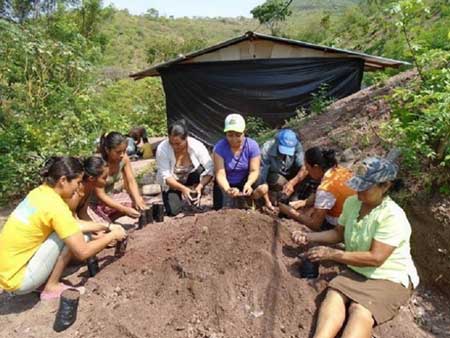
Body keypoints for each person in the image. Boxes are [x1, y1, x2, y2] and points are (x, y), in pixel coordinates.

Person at [292, 155, 419, 338]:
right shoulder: (353, 203)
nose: (359, 191)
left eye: (365, 187)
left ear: (385, 186)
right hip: (357, 269)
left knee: (360, 309)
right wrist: (309, 237)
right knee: (334, 294)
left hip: (388, 275)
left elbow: (376, 258)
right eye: (357, 185)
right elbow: (338, 233)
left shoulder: (392, 216)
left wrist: (333, 254)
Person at [0, 157, 127, 300]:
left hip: (7, 272)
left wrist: (107, 226)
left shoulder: (39, 193)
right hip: (19, 281)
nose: (78, 187)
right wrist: (112, 236)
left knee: (71, 232)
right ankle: (51, 287)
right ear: (63, 180)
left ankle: (41, 279)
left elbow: (72, 224)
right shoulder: (56, 207)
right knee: (80, 238)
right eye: (78, 182)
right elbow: (82, 252)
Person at [279, 147, 355, 231]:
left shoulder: (325, 188)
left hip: (341, 225)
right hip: (354, 215)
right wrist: (304, 202)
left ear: (316, 167)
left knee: (308, 214)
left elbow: (315, 224)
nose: (307, 171)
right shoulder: (340, 170)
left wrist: (289, 212)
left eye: (308, 168)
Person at [156, 121, 214, 216]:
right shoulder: (162, 149)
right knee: (173, 211)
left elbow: (210, 168)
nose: (174, 147)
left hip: (192, 176)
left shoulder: (196, 145)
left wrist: (200, 186)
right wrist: (183, 189)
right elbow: (166, 176)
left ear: (186, 138)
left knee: (201, 169)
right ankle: (182, 194)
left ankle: (195, 192)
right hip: (173, 181)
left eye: (178, 143)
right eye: (171, 143)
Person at [88, 132, 146, 223]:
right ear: (107, 150)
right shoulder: (99, 163)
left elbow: (130, 180)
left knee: (138, 202)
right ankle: (104, 221)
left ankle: (109, 219)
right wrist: (124, 209)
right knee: (103, 230)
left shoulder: (123, 158)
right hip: (93, 203)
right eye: (118, 152)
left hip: (110, 198)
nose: (122, 154)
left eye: (124, 151)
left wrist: (137, 198)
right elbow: (101, 195)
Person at [253, 129, 317, 210]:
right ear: (277, 142)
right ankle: (276, 197)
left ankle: (297, 197)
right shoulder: (266, 150)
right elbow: (262, 178)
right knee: (279, 182)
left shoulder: (296, 145)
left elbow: (304, 167)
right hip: (274, 174)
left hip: (290, 172)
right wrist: (266, 200)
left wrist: (292, 183)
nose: (285, 154)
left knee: (310, 173)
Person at [213, 113, 263, 210]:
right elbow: (220, 174)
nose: (234, 139)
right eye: (230, 135)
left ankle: (252, 198)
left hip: (245, 180)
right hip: (227, 182)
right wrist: (227, 189)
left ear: (244, 132)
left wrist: (248, 184)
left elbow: (254, 170)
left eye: (238, 135)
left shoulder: (252, 146)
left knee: (259, 179)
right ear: (225, 134)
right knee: (219, 209)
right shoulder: (219, 148)